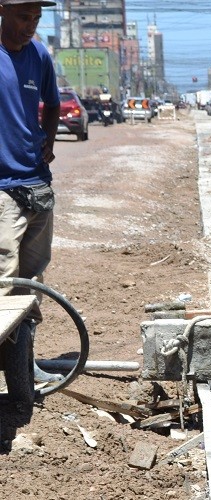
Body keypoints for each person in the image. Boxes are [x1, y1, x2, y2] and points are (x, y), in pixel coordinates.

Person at [0, 0, 63, 383]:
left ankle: (23, 363)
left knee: (33, 280)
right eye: (25, 16)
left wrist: (49, 142)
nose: (31, 25)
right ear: (3, 10)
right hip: (2, 188)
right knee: (5, 279)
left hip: (36, 184)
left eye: (37, 17)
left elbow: (52, 104)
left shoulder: (39, 54)